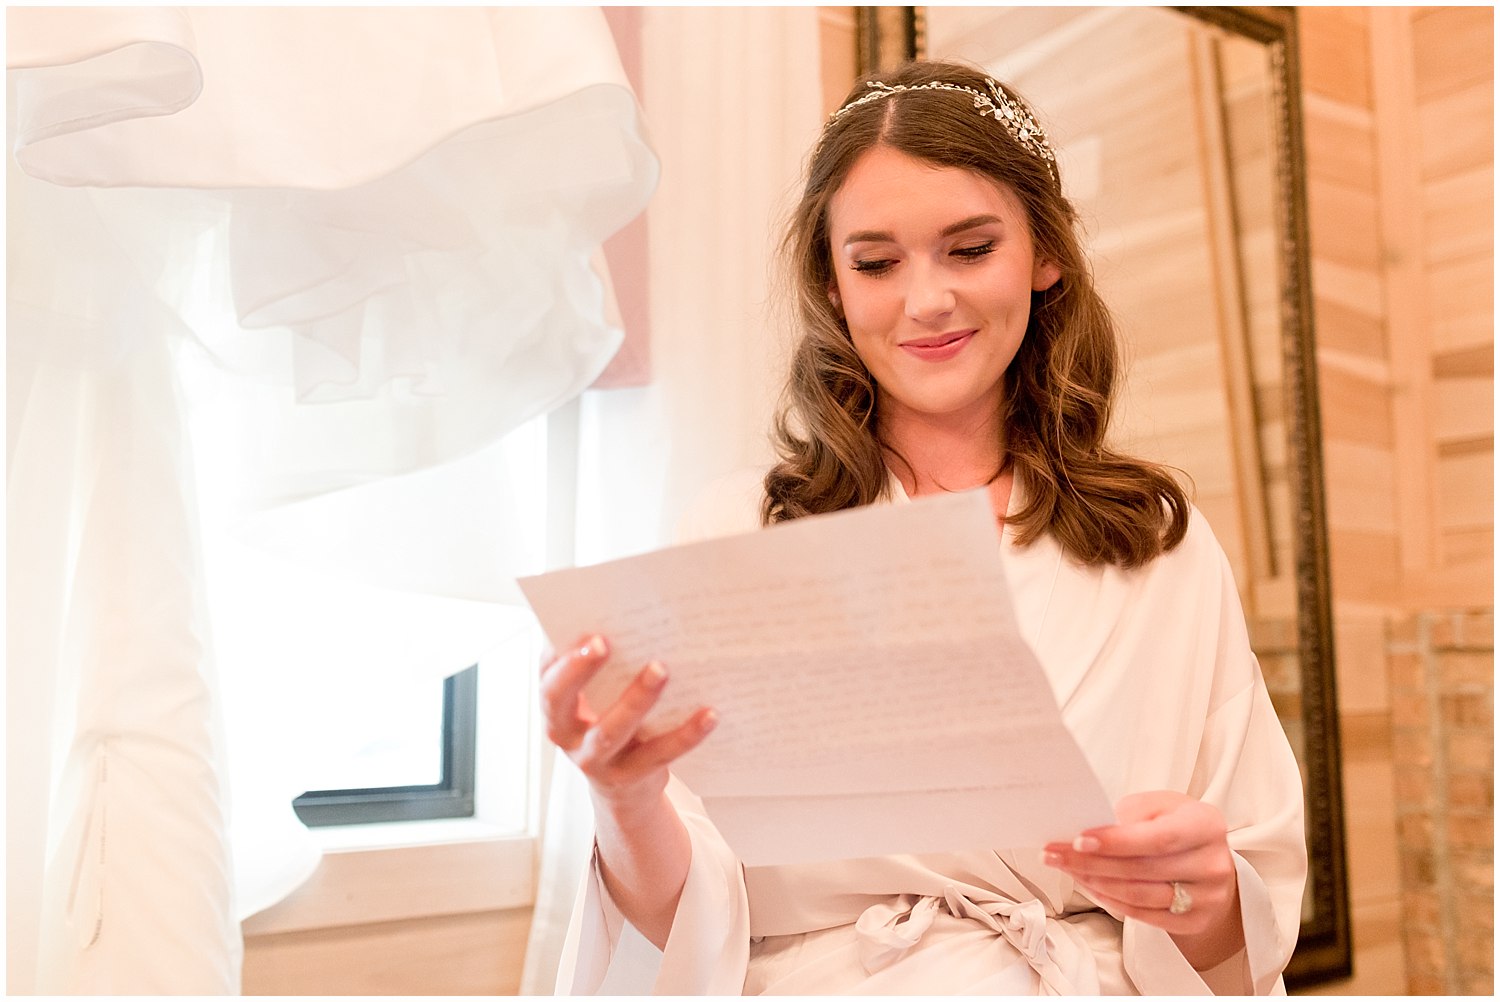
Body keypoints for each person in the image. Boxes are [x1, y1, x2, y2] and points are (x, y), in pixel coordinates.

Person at [540, 60, 1307, 995]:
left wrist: (1207, 890)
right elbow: (685, 923)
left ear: (1045, 253)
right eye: (875, 262)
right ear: (832, 283)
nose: (927, 300)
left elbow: (1242, 924)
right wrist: (622, 795)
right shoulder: (742, 531)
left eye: (971, 248)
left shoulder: (1159, 546)